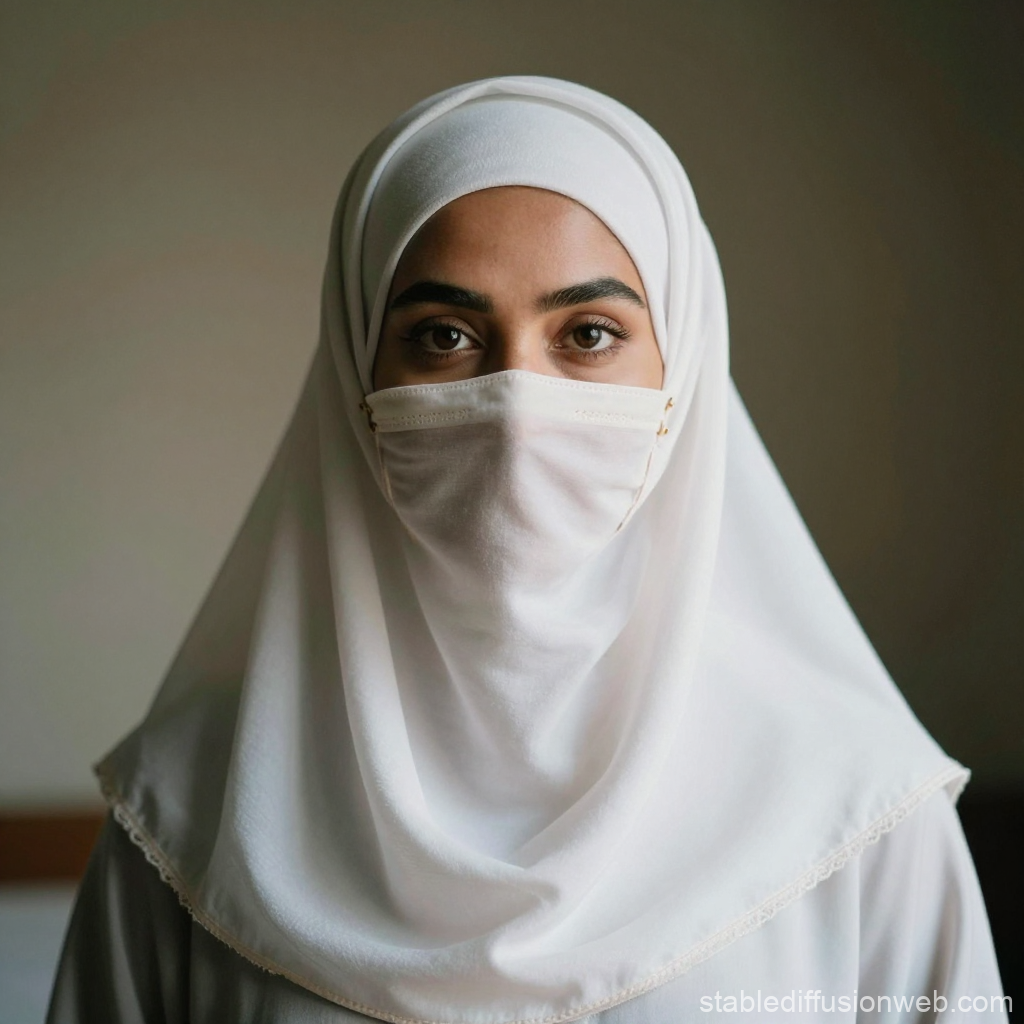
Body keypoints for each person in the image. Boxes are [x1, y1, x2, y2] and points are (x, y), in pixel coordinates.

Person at [47, 76, 1007, 1023]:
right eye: (445, 335)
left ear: (682, 370)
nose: (516, 410)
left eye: (588, 334)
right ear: (356, 370)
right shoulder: (193, 818)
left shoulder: (855, 815)